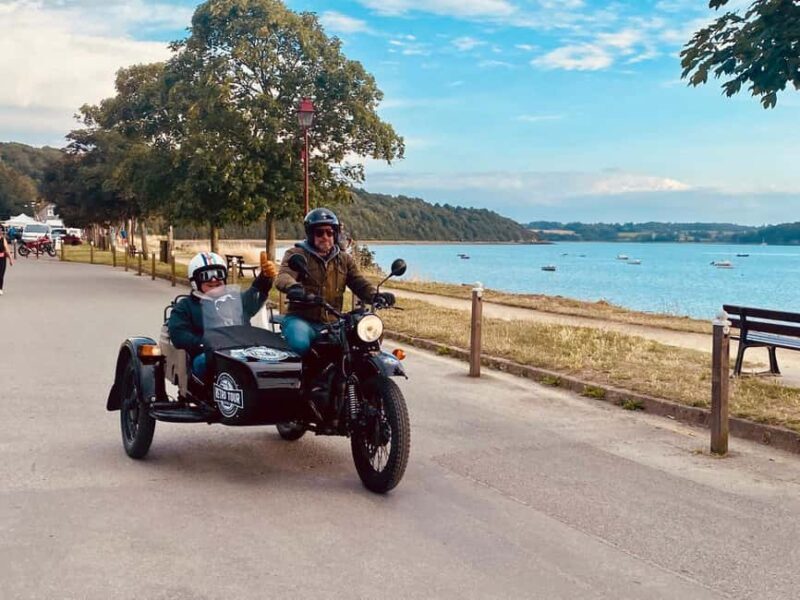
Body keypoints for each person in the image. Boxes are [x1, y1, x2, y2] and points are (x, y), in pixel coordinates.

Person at [275, 207, 395, 356]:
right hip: (302, 319)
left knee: (362, 343)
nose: (325, 237)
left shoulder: (344, 259)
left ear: (336, 234)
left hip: (334, 321)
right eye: (319, 232)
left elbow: (359, 282)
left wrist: (376, 295)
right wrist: (293, 287)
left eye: (330, 232)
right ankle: (300, 371)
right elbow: (283, 276)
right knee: (299, 343)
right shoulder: (297, 254)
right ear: (311, 234)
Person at [167, 250, 278, 379]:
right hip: (208, 352)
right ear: (195, 281)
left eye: (219, 274)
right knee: (204, 361)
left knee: (275, 359)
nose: (214, 279)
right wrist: (203, 343)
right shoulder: (185, 306)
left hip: (243, 349)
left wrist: (265, 278)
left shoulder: (235, 299)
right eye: (206, 276)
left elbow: (254, 296)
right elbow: (178, 334)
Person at [0, 225, 14, 295]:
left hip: (2, 259)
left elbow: (7, 249)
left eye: (0, 230)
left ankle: (0, 288)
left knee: (1, 274)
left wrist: (10, 259)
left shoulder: (3, 239)